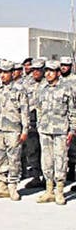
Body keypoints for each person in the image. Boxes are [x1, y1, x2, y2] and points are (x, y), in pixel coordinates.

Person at [36, 61, 76, 205]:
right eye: (46, 71)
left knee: (61, 160)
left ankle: (59, 191)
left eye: (51, 71)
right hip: (45, 130)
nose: (48, 73)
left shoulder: (67, 89)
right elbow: (39, 109)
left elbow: (72, 111)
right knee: (46, 160)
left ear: (58, 73)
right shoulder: (42, 89)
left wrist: (72, 129)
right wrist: (40, 125)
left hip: (61, 131)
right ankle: (49, 190)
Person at [0, 61, 28, 201]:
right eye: (1, 73)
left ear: (12, 73)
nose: (3, 75)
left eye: (6, 73)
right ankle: (2, 185)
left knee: (14, 158)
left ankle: (12, 185)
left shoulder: (19, 89)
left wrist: (25, 130)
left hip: (13, 129)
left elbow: (24, 111)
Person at [23, 59, 45, 188]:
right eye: (33, 70)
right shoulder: (27, 83)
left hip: (46, 122)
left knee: (46, 151)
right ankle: (36, 177)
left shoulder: (48, 83)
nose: (35, 72)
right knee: (32, 150)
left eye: (38, 70)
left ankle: (48, 178)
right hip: (31, 120)